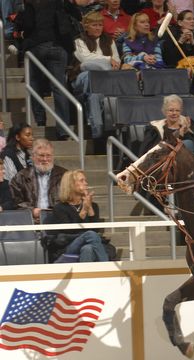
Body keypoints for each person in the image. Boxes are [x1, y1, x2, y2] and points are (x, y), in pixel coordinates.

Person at [21, 0, 75, 140]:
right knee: (59, 87)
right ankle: (63, 130)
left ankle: (40, 121)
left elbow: (28, 24)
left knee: (35, 84)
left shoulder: (31, 3)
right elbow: (77, 15)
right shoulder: (60, 2)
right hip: (58, 46)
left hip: (37, 45)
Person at [72, 11, 121, 140]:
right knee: (89, 72)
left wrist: (107, 61)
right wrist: (107, 59)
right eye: (94, 25)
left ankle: (96, 130)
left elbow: (117, 61)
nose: (98, 28)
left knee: (94, 97)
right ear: (86, 26)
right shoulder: (79, 41)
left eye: (100, 25)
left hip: (105, 79)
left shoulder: (109, 40)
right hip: (82, 79)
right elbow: (85, 58)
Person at [44, 169, 110, 263]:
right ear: (71, 185)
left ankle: (84, 277)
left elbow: (96, 231)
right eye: (82, 180)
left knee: (88, 249)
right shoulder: (60, 208)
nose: (86, 183)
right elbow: (69, 230)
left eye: (85, 180)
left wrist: (89, 208)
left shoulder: (93, 205)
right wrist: (83, 211)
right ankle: (106, 267)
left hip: (89, 243)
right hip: (69, 245)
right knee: (89, 234)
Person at [9, 138, 67, 223]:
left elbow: (70, 200)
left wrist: (54, 213)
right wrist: (32, 211)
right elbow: (15, 201)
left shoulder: (64, 175)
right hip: (29, 220)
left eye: (48, 155)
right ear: (33, 157)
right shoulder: (21, 176)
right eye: (41, 155)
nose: (45, 159)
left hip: (58, 220)